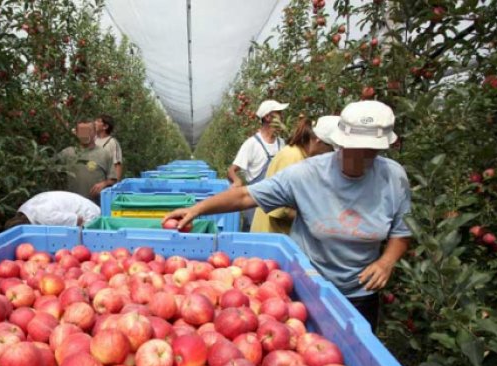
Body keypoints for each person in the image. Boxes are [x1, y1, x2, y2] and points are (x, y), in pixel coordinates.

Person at [165, 101, 411, 330]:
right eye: (354, 148)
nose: (361, 156)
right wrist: (197, 210)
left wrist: (385, 262)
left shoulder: (393, 178)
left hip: (360, 295)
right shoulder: (308, 174)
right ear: (340, 142)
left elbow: (401, 232)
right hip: (307, 288)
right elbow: (245, 196)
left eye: (371, 151)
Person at [250, 115, 339, 234]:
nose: (332, 155)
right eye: (331, 149)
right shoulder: (293, 157)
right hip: (271, 237)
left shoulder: (306, 158)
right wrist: (317, 219)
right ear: (318, 140)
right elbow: (280, 209)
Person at [227, 99, 289, 231]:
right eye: (279, 113)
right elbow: (232, 170)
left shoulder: (281, 144)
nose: (282, 116)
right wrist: (237, 180)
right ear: (268, 117)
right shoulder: (252, 144)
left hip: (275, 206)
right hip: (254, 205)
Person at [60, 118, 117, 204]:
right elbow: (49, 168)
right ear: (76, 133)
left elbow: (113, 180)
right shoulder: (67, 153)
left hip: (96, 206)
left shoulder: (104, 154)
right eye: (82, 131)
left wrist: (104, 184)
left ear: (95, 133)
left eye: (89, 131)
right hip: (72, 206)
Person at [4, 191, 101, 228]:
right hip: (73, 202)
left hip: (88, 214)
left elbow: (78, 220)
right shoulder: (23, 210)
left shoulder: (46, 218)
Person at [95, 114, 123, 181]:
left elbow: (117, 165)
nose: (95, 123)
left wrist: (115, 185)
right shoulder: (93, 140)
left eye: (98, 121)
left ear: (105, 126)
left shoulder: (112, 143)